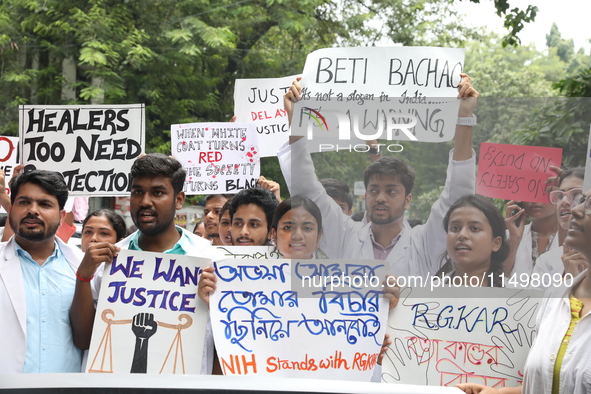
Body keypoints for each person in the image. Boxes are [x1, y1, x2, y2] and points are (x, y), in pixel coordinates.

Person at [280, 73, 478, 278]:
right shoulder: (346, 236)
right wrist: (296, 120)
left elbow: (458, 197)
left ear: (407, 200)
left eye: (391, 191)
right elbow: (306, 188)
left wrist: (464, 118)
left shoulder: (424, 243)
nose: (380, 198)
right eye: (374, 190)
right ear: (366, 195)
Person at [70, 153, 220, 374]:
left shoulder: (210, 260)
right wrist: (83, 277)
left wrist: (215, 305)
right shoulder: (110, 260)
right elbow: (83, 340)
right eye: (138, 192)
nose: (145, 201)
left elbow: (228, 345)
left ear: (179, 199)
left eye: (157, 192)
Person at [457, 188, 591, 394]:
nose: (575, 210)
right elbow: (551, 383)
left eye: (590, 205)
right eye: (582, 201)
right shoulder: (556, 296)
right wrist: (499, 392)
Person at [0, 170, 84, 373]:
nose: (32, 210)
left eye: (45, 204)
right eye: (24, 202)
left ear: (62, 216)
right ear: (10, 210)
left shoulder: (83, 268)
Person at [436, 194, 509, 287]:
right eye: (455, 228)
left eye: (475, 228)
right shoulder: (424, 295)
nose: (462, 235)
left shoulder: (519, 297)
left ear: (496, 243)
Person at [532, 167, 587, 285]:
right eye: (560, 196)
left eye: (577, 195)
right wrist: (569, 285)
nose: (564, 201)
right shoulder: (546, 262)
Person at [504, 196, 559, 277]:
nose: (534, 200)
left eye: (543, 192)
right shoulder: (506, 236)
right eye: (529, 193)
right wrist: (514, 240)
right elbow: (496, 281)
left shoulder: (575, 239)